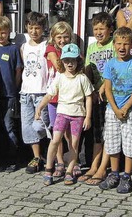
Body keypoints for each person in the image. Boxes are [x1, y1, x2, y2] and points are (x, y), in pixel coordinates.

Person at [36, 43, 93, 186]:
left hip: (78, 115)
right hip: (62, 114)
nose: (69, 63)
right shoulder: (60, 77)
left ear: (78, 61)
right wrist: (40, 107)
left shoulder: (82, 78)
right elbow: (50, 95)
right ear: (62, 61)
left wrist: (88, 117)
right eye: (66, 60)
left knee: (74, 145)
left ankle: (69, 170)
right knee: (55, 140)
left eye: (73, 60)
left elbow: (89, 97)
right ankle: (49, 168)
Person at [99, 27, 132, 194]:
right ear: (114, 45)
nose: (122, 47)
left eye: (126, 44)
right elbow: (108, 89)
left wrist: (126, 107)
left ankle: (127, 176)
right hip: (112, 110)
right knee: (112, 141)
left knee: (130, 142)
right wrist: (115, 108)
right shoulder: (110, 64)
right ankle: (114, 173)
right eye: (118, 43)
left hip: (131, 110)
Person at [81, 12, 115, 185]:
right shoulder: (92, 47)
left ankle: (103, 168)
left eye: (102, 28)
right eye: (95, 29)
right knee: (97, 134)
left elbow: (115, 69)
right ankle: (94, 166)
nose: (99, 32)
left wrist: (103, 87)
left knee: (108, 133)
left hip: (110, 98)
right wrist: (90, 91)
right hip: (96, 97)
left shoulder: (114, 45)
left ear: (110, 29)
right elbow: (88, 70)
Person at [0, 16, 23, 172]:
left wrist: (14, 90)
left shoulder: (13, 49)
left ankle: (12, 158)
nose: (0, 36)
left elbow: (18, 71)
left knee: (9, 127)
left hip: (9, 96)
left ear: (9, 32)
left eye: (3, 33)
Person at [19, 12, 50, 174]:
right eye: (31, 28)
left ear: (43, 28)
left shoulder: (46, 45)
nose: (34, 32)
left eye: (37, 28)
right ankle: (37, 157)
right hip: (26, 92)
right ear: (26, 28)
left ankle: (48, 153)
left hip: (41, 92)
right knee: (28, 127)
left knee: (40, 125)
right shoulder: (24, 46)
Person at [45, 20, 74, 177]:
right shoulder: (50, 49)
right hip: (54, 98)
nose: (62, 41)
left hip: (69, 98)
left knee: (69, 133)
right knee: (57, 133)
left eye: (66, 37)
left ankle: (72, 161)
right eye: (59, 37)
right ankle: (59, 162)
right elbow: (59, 66)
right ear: (53, 38)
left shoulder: (73, 50)